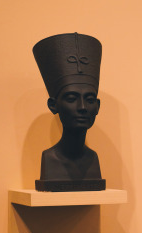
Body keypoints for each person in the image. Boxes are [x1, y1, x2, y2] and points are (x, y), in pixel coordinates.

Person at [33, 32, 105, 191]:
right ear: (53, 105)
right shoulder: (49, 159)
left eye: (90, 99)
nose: (83, 107)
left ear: (98, 106)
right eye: (72, 98)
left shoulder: (93, 159)